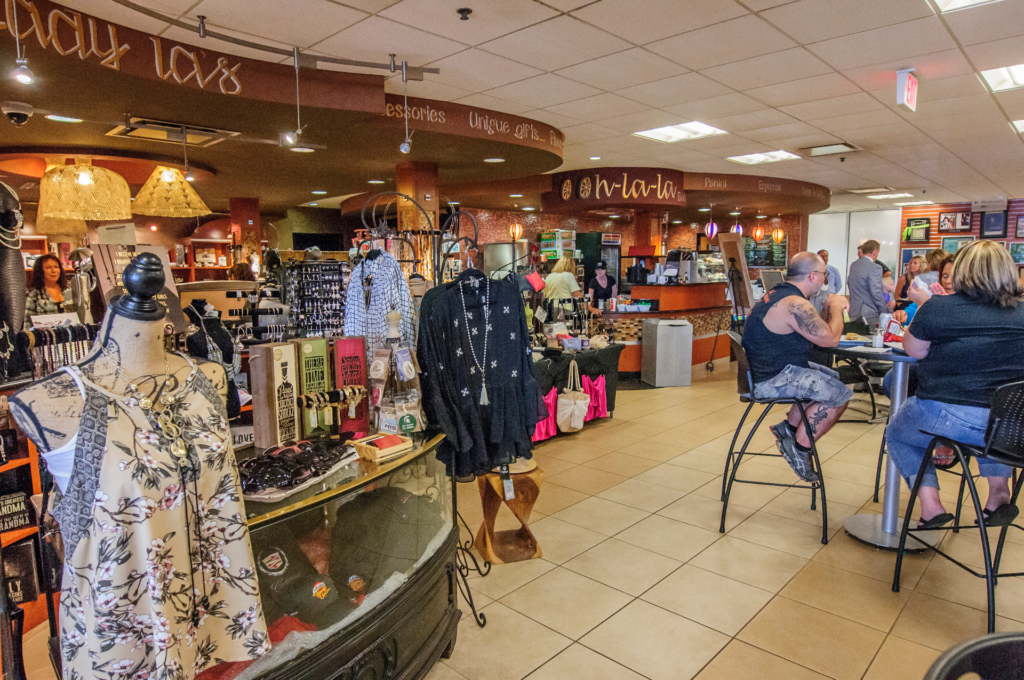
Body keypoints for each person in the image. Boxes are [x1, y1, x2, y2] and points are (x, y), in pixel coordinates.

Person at [886, 241, 1024, 528]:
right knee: (995, 427)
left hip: (945, 415)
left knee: (898, 433)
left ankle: (932, 506)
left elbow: (914, 350)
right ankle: (998, 493)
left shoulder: (938, 307)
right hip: (1012, 423)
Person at [741, 252, 853, 482]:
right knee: (840, 395)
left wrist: (824, 310)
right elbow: (830, 339)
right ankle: (799, 449)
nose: (825, 280)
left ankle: (788, 430)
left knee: (830, 376)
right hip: (772, 380)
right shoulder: (794, 303)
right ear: (813, 276)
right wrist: (837, 307)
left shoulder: (777, 294)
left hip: (770, 371)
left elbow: (815, 331)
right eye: (824, 274)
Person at [847, 239, 888, 326]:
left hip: (853, 311)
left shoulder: (853, 265)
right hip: (869, 314)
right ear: (875, 252)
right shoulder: (875, 267)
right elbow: (876, 292)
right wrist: (885, 313)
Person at [24, 253, 71, 326]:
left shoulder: (68, 291)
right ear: (40, 271)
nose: (53, 271)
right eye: (48, 267)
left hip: (70, 335)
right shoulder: (34, 294)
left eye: (56, 267)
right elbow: (27, 323)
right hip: (45, 336)